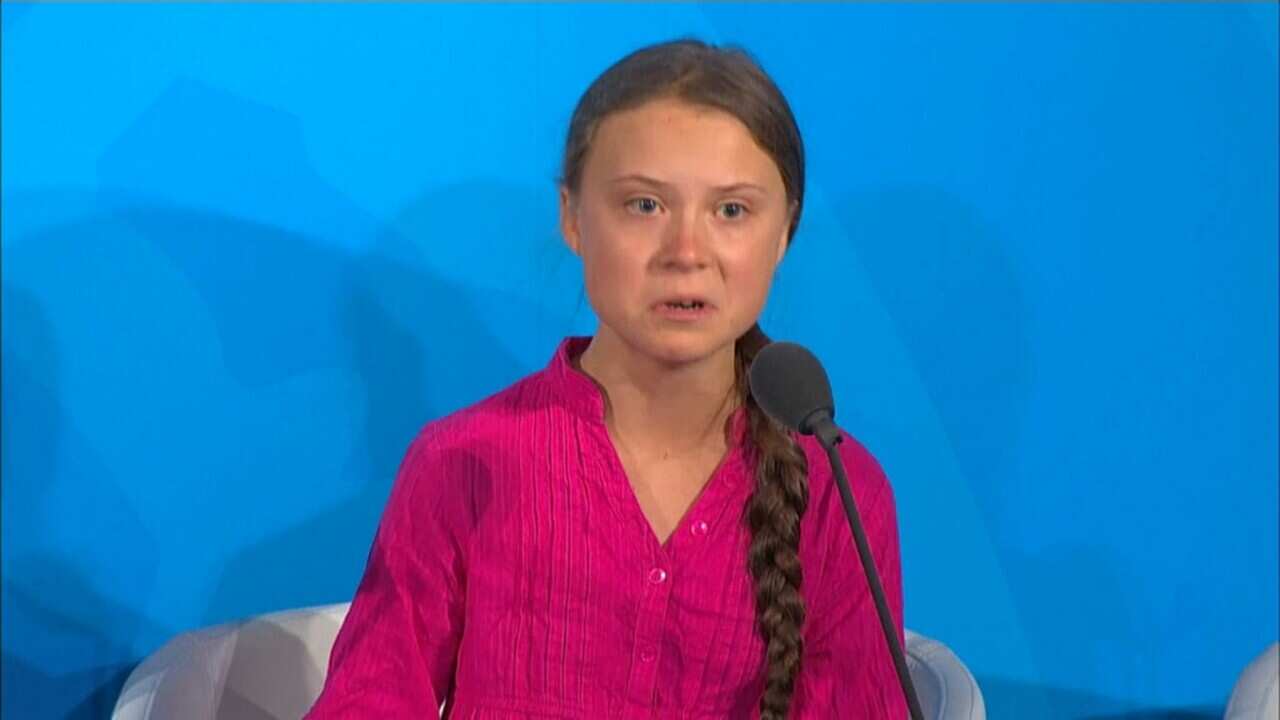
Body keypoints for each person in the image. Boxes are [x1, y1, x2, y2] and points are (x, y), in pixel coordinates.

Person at [305, 38, 907, 719]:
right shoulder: (462, 462)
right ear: (572, 216)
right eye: (644, 206)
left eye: (731, 211)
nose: (686, 253)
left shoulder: (838, 489)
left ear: (784, 231)